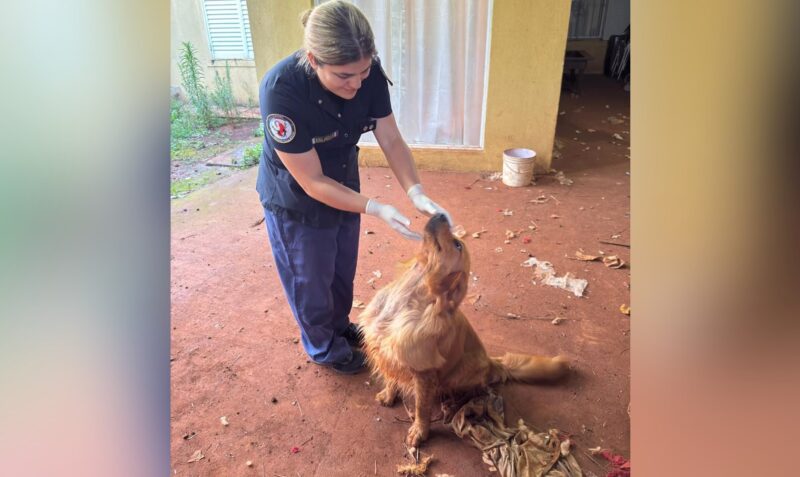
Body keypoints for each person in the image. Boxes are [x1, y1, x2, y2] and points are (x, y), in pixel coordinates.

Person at [257, 0, 451, 375]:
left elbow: (391, 138)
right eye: (345, 75)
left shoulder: (368, 72)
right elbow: (312, 181)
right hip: (296, 195)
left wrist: (415, 191)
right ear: (314, 60)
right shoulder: (282, 90)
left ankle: (340, 326)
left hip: (343, 179)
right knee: (310, 276)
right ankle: (323, 346)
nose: (357, 83)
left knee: (341, 266)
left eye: (363, 71)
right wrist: (375, 207)